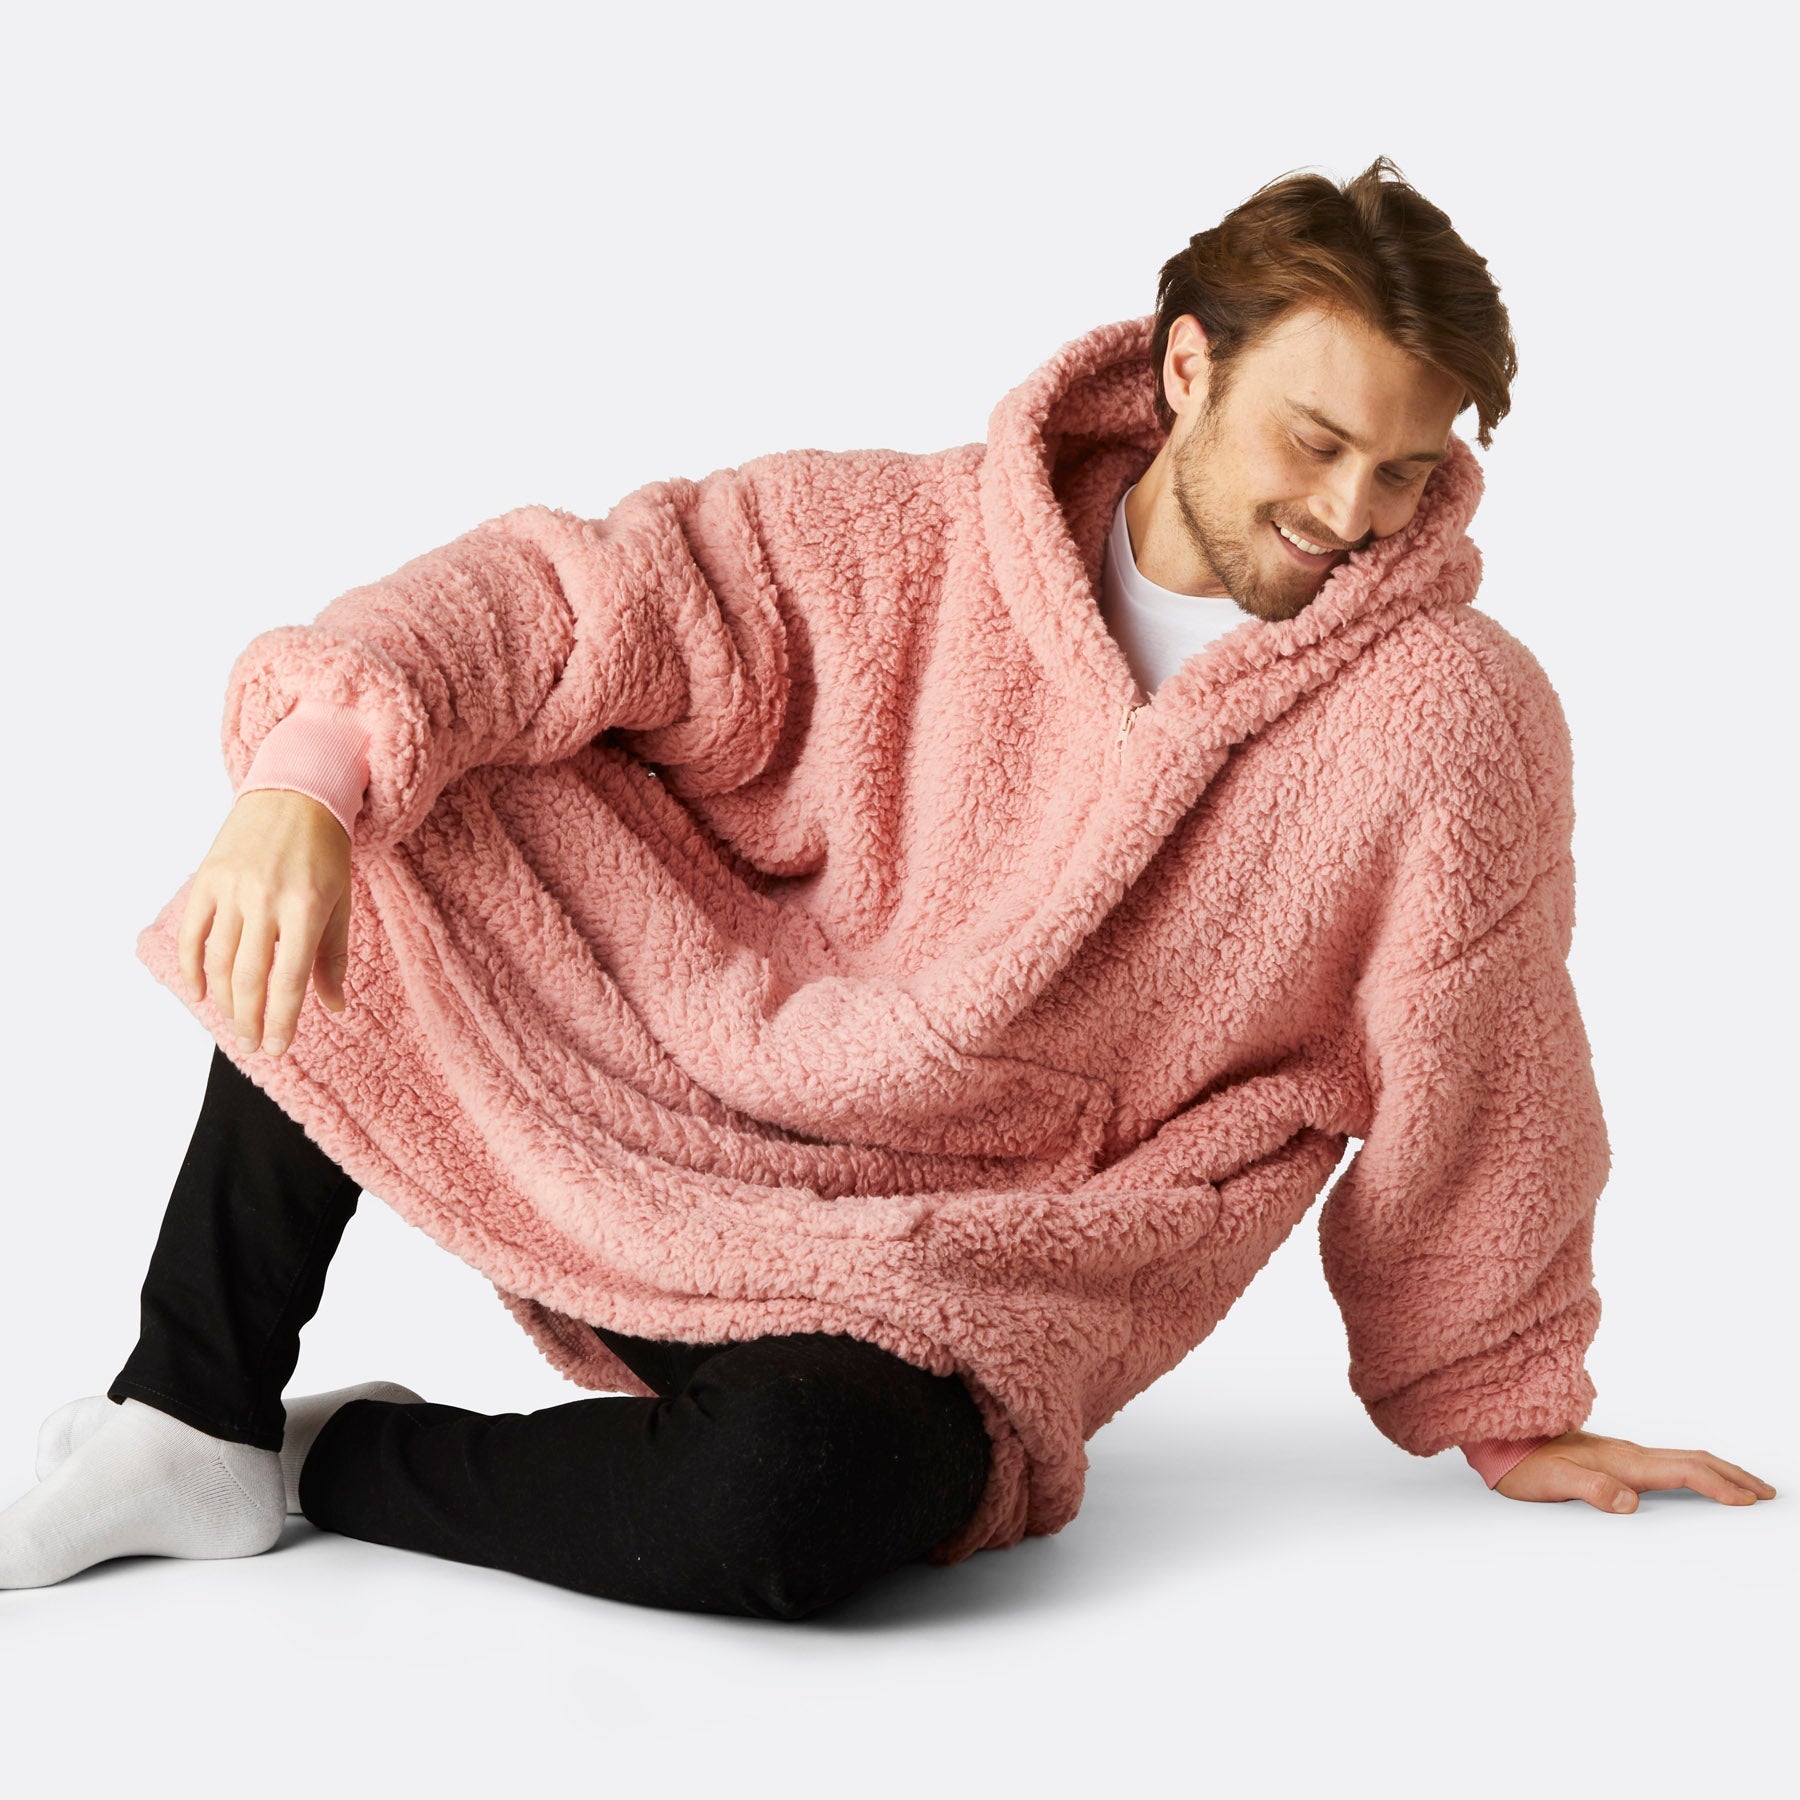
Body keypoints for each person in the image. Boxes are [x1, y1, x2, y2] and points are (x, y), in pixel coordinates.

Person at [1, 155, 1773, 1612]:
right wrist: (306, 778)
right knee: (391, 799)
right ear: (1186, 370)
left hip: (975, 1271)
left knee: (794, 1500)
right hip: (676, 1112)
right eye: (1314, 441)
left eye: (1405, 470)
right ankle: (191, 1405)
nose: (1352, 512)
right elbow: (576, 595)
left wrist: (1500, 1393)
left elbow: (1488, 1054)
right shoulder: (898, 541)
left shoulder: (1448, 717)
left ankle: (323, 1462)